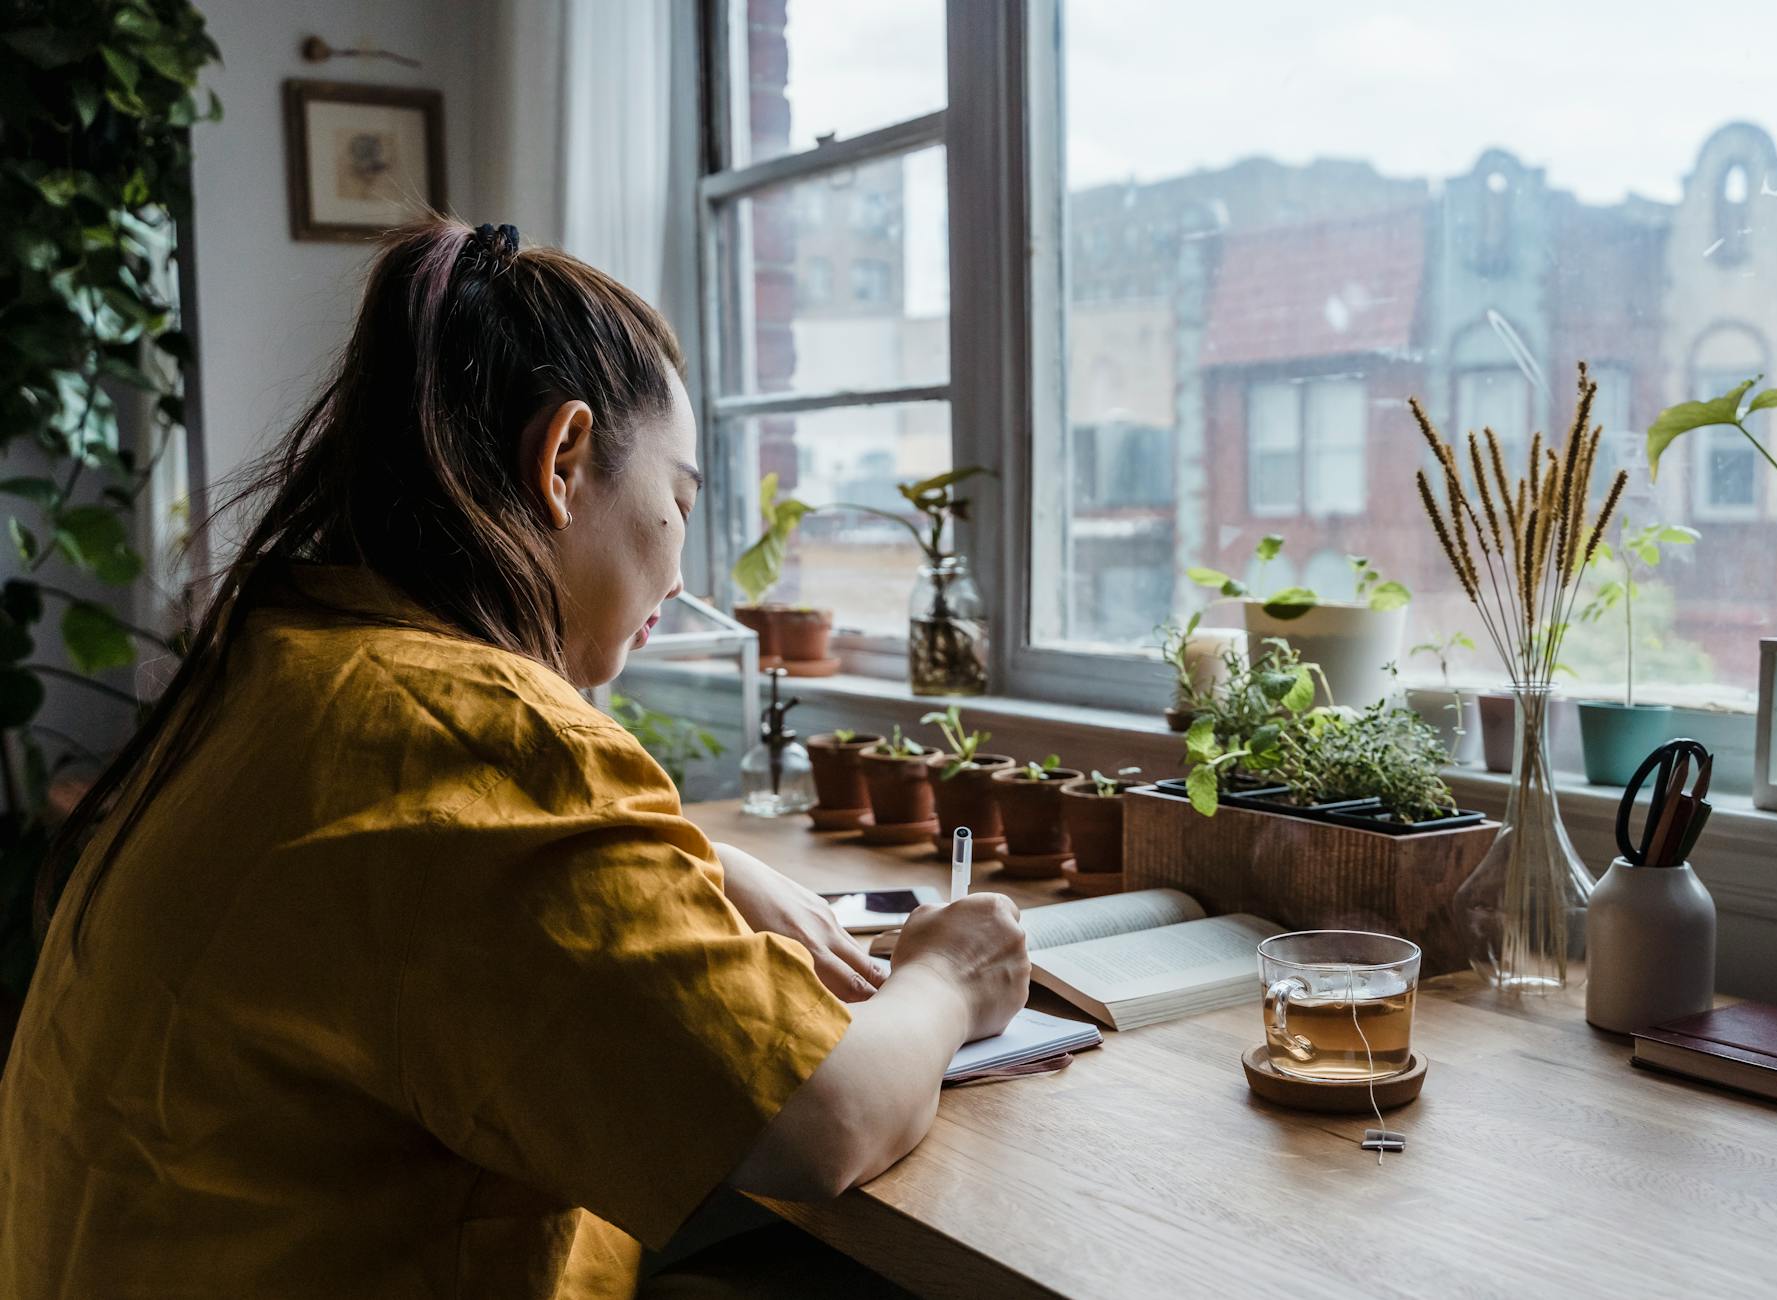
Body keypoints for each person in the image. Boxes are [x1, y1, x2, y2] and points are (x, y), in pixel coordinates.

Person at [0, 218, 1030, 1298]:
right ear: (564, 458)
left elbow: (396, 880)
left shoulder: (290, 667)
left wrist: (704, 864)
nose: (679, 573)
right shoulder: (474, 734)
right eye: (677, 502)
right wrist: (949, 975)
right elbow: (822, 1125)